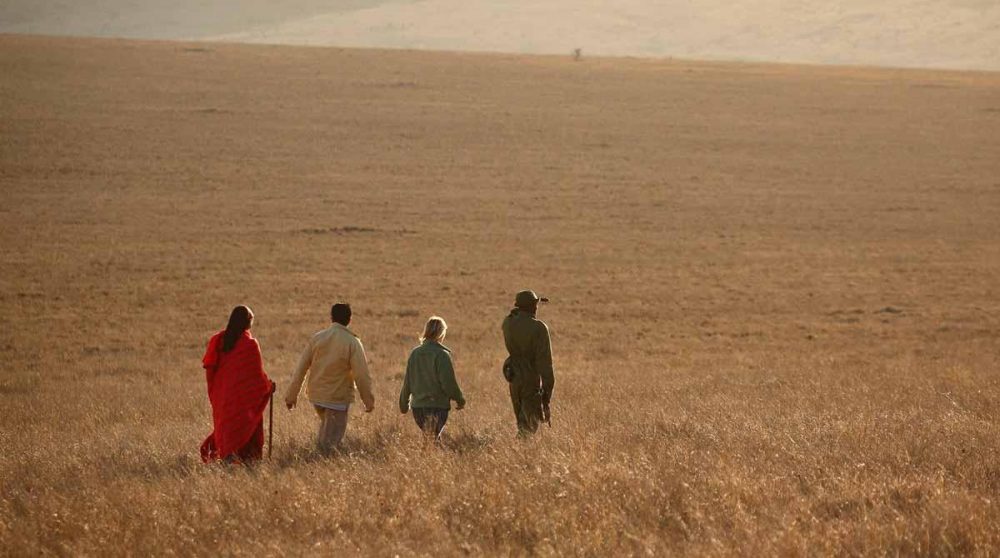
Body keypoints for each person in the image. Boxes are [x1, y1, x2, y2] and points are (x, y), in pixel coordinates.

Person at [284, 302, 375, 456]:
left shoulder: (317, 338)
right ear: (349, 319)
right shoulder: (352, 342)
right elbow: (362, 375)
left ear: (331, 317)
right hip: (337, 399)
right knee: (331, 444)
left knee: (326, 432)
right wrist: (368, 401)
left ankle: (315, 460)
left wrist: (291, 396)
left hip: (317, 397)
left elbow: (301, 369)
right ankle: (318, 463)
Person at [200, 305, 275, 464]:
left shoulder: (217, 340)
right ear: (247, 322)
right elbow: (256, 377)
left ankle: (227, 459)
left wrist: (215, 392)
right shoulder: (250, 344)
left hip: (222, 396)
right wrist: (268, 387)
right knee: (246, 426)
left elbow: (210, 369)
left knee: (226, 428)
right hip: (243, 399)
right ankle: (243, 463)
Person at [399, 316, 465, 441]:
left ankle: (427, 454)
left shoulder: (415, 354)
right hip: (437, 407)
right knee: (433, 439)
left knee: (430, 439)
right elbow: (448, 384)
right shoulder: (442, 355)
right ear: (441, 333)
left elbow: (408, 382)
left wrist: (403, 404)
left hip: (418, 408)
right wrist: (460, 400)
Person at [502, 290, 555, 436]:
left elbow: (511, 316)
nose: (537, 307)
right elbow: (545, 364)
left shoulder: (508, 323)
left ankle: (517, 448)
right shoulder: (539, 328)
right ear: (532, 306)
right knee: (529, 428)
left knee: (522, 423)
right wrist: (546, 396)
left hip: (513, 377)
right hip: (530, 378)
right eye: (535, 304)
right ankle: (518, 450)